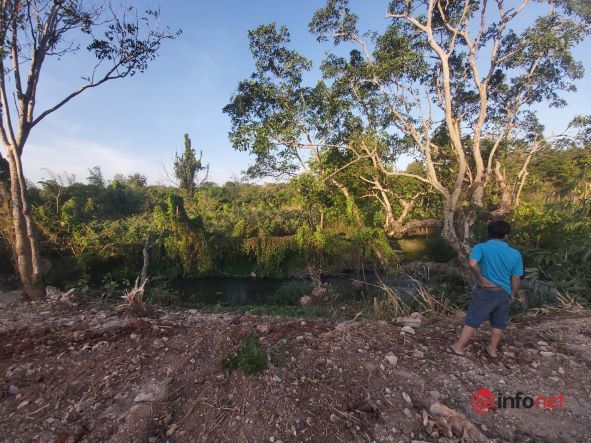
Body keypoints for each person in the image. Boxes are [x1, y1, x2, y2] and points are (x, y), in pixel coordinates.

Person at [449, 220, 523, 358]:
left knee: (473, 318)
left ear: (489, 233)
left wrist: (481, 278)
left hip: (487, 291)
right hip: (504, 292)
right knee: (498, 322)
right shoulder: (515, 254)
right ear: (506, 235)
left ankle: (458, 347)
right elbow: (516, 277)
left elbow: (472, 264)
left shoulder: (481, 247)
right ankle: (492, 350)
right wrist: (512, 293)